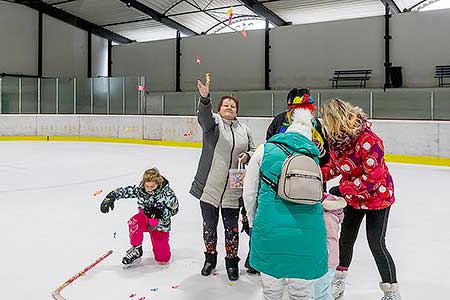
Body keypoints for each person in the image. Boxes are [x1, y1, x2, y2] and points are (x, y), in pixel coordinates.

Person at [243, 100, 328, 300]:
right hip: (309, 232)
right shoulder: (313, 157)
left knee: (272, 292)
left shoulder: (264, 150)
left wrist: (254, 219)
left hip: (270, 228)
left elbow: (249, 192)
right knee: (301, 293)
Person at [319, 98, 401, 300]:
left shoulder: (369, 140)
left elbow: (373, 178)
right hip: (354, 199)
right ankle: (338, 281)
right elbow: (337, 166)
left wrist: (343, 188)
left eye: (328, 123)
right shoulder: (337, 141)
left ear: (338, 120)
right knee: (346, 240)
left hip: (378, 198)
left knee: (376, 243)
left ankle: (392, 292)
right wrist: (315, 175)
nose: (326, 128)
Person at [190, 76, 256, 281]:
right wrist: (205, 98)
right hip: (210, 188)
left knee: (232, 228)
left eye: (233, 106)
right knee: (209, 227)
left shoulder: (244, 130)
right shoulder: (213, 124)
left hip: (233, 190)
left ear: (237, 110)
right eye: (226, 105)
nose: (229, 107)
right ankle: (210, 259)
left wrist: (249, 155)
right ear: (219, 108)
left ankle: (231, 262)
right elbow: (204, 116)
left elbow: (254, 150)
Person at [100, 168, 179, 267]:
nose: (149, 189)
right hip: (144, 219)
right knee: (133, 222)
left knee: (163, 259)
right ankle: (136, 249)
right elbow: (126, 191)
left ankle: (161, 253)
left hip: (160, 224)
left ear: (158, 184)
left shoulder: (167, 194)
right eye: (147, 186)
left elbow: (175, 209)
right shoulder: (141, 191)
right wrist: (111, 197)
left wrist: (160, 213)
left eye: (152, 186)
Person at [313, 193, 347, 300]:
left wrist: (321, 254)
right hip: (325, 261)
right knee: (321, 291)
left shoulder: (328, 217)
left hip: (326, 262)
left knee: (320, 292)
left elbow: (331, 239)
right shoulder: (327, 215)